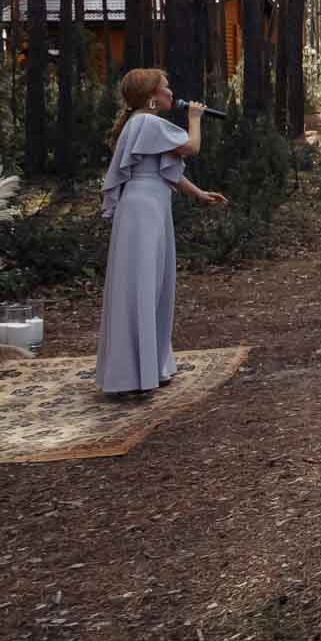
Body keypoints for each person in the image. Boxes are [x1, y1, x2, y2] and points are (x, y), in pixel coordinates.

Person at [97, 69, 228, 398]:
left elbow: (163, 168)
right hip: (143, 210)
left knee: (153, 283)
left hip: (151, 206)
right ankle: (132, 375)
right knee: (141, 283)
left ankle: (151, 367)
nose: (172, 93)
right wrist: (195, 118)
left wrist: (198, 193)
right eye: (166, 88)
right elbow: (190, 148)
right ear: (151, 95)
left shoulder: (143, 125)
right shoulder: (147, 122)